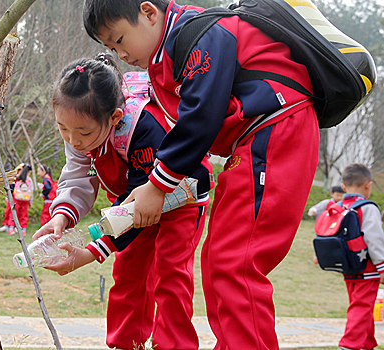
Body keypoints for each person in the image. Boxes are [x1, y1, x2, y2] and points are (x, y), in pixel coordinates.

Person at [82, 1, 320, 349]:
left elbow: (201, 117)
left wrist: (158, 183)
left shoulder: (201, 35)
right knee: (220, 259)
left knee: (235, 263)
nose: (120, 54)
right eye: (111, 49)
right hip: (251, 142)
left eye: (120, 40)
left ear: (149, 13)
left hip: (275, 128)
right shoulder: (166, 59)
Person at [34, 53, 213, 350]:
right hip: (130, 201)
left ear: (115, 117)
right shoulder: (82, 129)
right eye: (62, 128)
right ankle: (126, 344)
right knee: (129, 271)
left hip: (181, 195)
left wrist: (92, 251)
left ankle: (173, 345)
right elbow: (78, 176)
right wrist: (62, 216)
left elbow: (139, 209)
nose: (73, 140)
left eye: (82, 132)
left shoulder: (142, 129)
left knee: (170, 274)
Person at [336, 163, 384, 350]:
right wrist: (383, 267)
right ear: (368, 185)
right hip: (367, 270)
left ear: (343, 187)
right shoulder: (367, 208)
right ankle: (349, 346)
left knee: (361, 306)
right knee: (360, 308)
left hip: (348, 267)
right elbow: (375, 238)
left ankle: (368, 344)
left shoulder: (338, 206)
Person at [0, 163, 24, 232]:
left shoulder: (23, 179)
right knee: (8, 211)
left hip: (17, 197)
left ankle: (13, 226)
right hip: (11, 196)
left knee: (15, 212)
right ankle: (6, 225)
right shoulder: (14, 177)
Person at [8, 164, 33, 235]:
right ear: (29, 171)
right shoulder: (29, 179)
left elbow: (11, 186)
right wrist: (30, 201)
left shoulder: (17, 178)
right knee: (24, 214)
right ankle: (23, 229)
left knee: (13, 213)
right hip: (26, 200)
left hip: (17, 199)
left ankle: (11, 229)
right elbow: (32, 190)